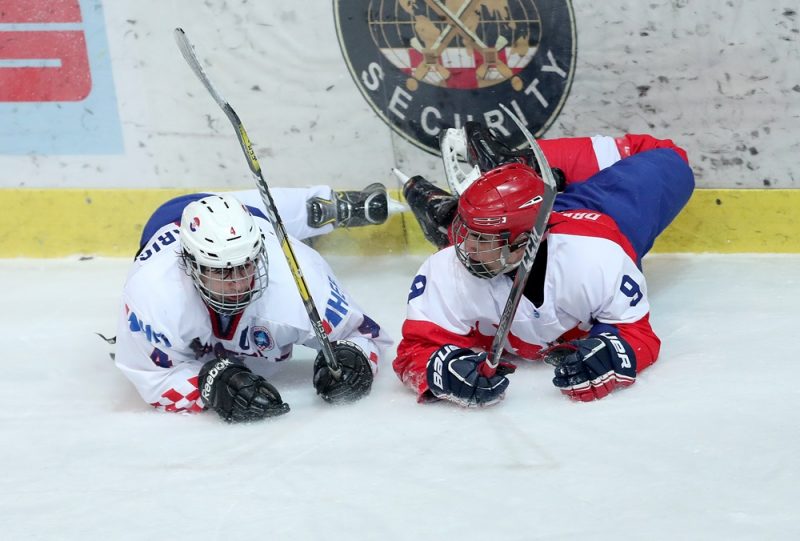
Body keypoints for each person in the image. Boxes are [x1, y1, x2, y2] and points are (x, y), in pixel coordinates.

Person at [393, 123, 694, 406]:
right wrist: (440, 372)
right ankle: (462, 208)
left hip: (596, 215)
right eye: (466, 230)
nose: (466, 247)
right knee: (469, 241)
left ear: (525, 241)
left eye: (483, 239)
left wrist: (615, 353)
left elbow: (635, 332)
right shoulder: (447, 268)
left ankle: (524, 168)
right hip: (529, 226)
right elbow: (413, 352)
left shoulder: (597, 257)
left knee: (671, 161)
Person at [115, 184, 395, 422]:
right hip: (166, 218)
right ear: (190, 265)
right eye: (222, 272)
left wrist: (353, 358)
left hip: (256, 221)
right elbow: (152, 377)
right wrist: (210, 387)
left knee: (267, 217)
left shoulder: (303, 278)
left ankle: (326, 204)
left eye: (246, 265)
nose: (238, 283)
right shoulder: (153, 292)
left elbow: (365, 335)